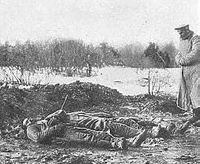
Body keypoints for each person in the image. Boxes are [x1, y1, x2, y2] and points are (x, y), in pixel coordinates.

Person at [22, 110, 154, 150]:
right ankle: (115, 144)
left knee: (96, 133)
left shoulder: (41, 121)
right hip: (61, 134)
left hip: (66, 128)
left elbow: (56, 118)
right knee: (88, 139)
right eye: (26, 121)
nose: (29, 120)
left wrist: (55, 119)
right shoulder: (31, 129)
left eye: (28, 118)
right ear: (25, 125)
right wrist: (56, 127)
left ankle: (129, 142)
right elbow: (39, 138)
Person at [174, 24, 200, 134]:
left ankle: (195, 118)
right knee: (190, 96)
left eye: (181, 31)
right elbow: (178, 54)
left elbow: (195, 54)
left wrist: (182, 61)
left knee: (197, 95)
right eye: (178, 32)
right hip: (186, 74)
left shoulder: (196, 39)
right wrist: (178, 59)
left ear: (187, 29)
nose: (180, 34)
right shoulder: (181, 41)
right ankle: (196, 116)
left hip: (196, 73)